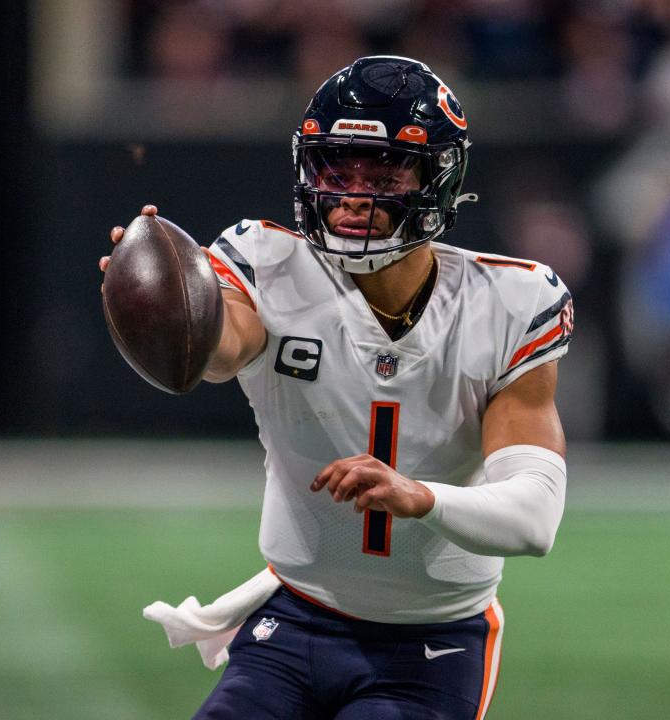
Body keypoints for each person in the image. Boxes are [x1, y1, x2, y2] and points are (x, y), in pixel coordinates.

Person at [100, 56, 573, 720]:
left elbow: (534, 518)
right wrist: (164, 303)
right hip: (293, 622)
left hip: (431, 646)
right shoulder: (265, 263)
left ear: (439, 178)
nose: (354, 193)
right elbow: (214, 351)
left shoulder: (508, 302)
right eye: (335, 168)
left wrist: (421, 497)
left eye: (384, 172)